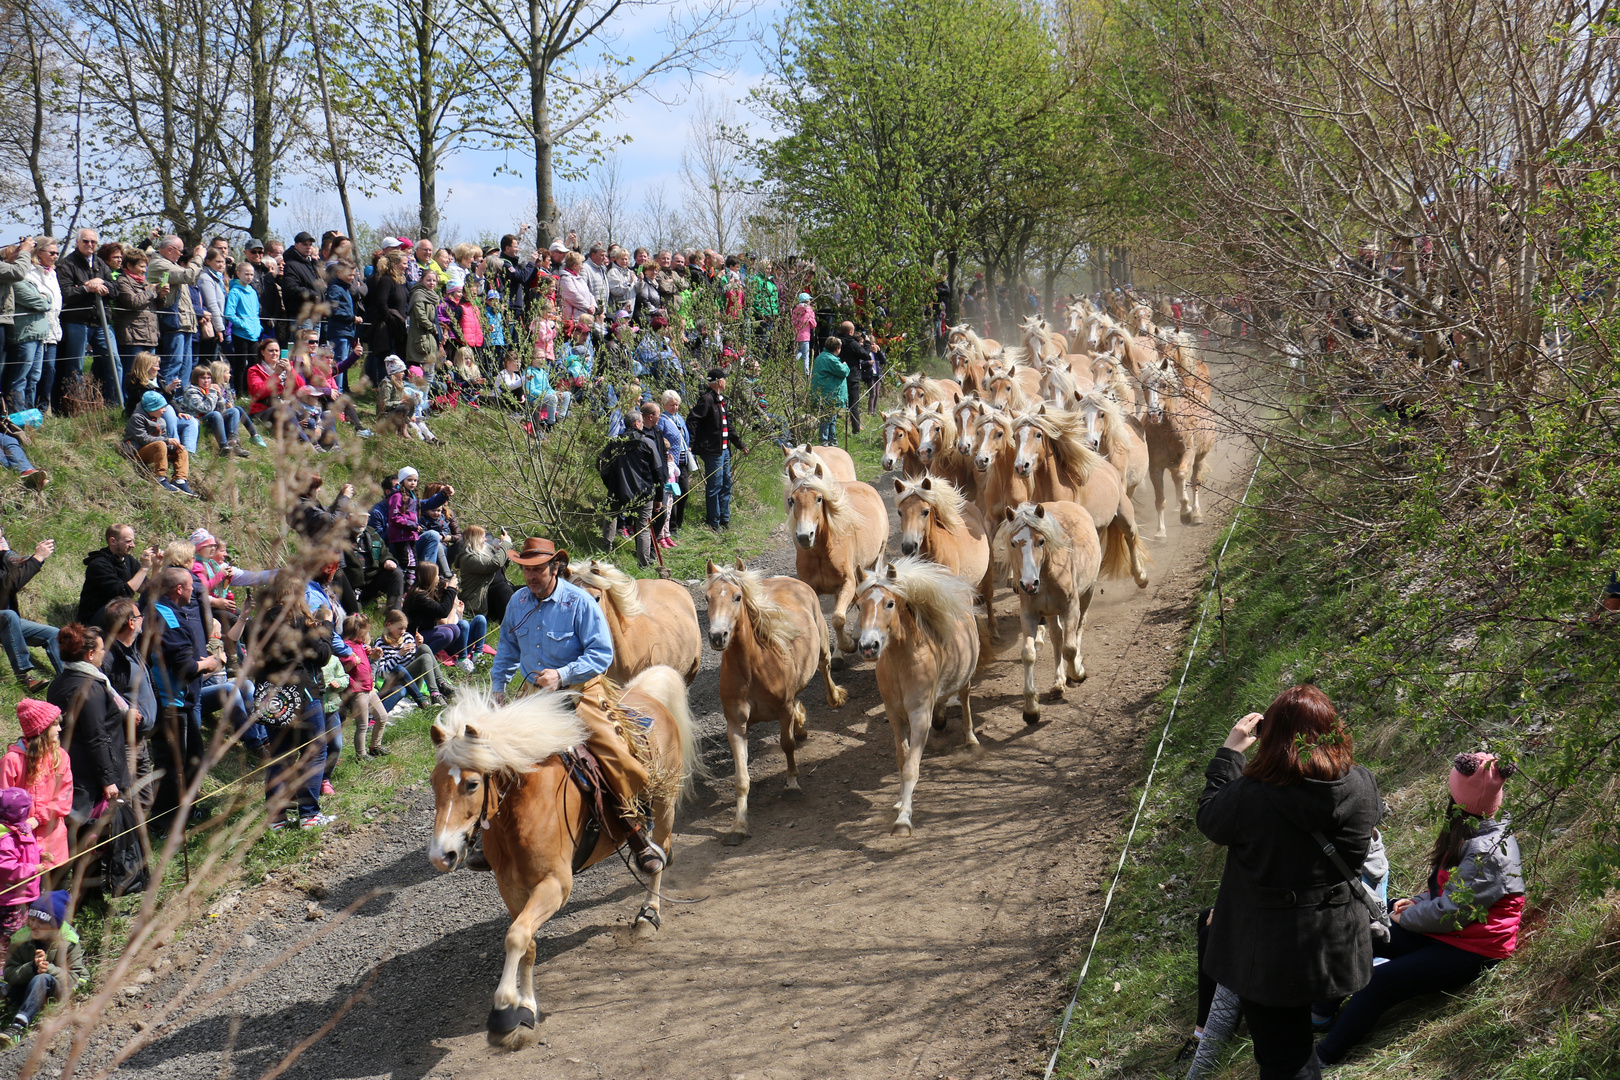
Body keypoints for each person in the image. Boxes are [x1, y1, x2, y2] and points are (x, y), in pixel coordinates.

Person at [1196, 685, 1382, 1080]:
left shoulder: (1252, 796)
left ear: (1272, 737)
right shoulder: (1362, 784)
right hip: (1337, 943)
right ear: (1334, 731)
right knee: (1295, 1054)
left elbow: (1210, 819)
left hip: (1271, 954)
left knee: (1283, 1059)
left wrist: (1229, 754)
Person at [1315, 753, 1524, 1066]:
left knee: (1380, 983)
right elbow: (1446, 890)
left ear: (1460, 801)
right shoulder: (1471, 832)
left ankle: (1323, 1057)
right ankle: (1320, 1014)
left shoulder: (1488, 853)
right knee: (1361, 926)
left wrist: (1405, 916)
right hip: (1451, 931)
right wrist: (1417, 902)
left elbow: (1451, 914)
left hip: (1475, 948)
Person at [488, 537, 665, 874]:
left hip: (581, 691)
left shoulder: (580, 602)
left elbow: (601, 654)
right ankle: (489, 837)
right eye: (526, 569)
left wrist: (562, 674)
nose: (531, 575)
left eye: (538, 568)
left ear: (555, 567)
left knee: (612, 752)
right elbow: (508, 647)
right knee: (493, 754)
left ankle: (637, 830)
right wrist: (498, 687)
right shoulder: (517, 602)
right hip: (534, 696)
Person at [146, 568, 223, 824]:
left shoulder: (164, 610)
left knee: (193, 758)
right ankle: (163, 822)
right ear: (178, 589)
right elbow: (183, 665)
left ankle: (187, 810)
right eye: (191, 586)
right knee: (171, 765)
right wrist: (208, 664)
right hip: (170, 703)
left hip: (182, 701)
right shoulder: (165, 616)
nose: (194, 590)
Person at [45, 623, 131, 848]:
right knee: (90, 838)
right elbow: (96, 736)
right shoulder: (90, 688)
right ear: (91, 655)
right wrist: (108, 780)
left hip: (70, 769)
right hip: (90, 779)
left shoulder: (59, 683)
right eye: (102, 650)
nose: (105, 653)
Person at [0, 701, 72, 891]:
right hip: (21, 847)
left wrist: (37, 819)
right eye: (55, 724)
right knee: (26, 900)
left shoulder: (61, 756)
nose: (59, 729)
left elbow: (64, 799)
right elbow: (4, 806)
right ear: (41, 729)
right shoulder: (12, 761)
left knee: (54, 900)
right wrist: (21, 827)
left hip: (53, 842)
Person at [0, 890, 83, 1049]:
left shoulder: (69, 942)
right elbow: (9, 973)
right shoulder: (21, 938)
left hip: (53, 989)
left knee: (41, 978)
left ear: (55, 926)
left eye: (42, 922)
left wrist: (48, 969)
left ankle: (17, 1027)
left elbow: (73, 978)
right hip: (24, 988)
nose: (34, 925)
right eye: (32, 919)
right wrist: (32, 966)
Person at [99, 598, 157, 816]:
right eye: (140, 617)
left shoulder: (132, 650)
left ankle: (139, 846)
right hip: (124, 743)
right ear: (131, 622)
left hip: (140, 741)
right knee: (128, 802)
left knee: (145, 800)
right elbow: (101, 694)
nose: (143, 620)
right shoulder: (109, 657)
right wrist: (124, 713)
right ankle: (126, 848)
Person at [55, 228, 122, 406]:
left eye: (93, 242)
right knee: (75, 366)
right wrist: (87, 288)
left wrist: (102, 283)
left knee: (114, 362)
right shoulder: (66, 264)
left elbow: (115, 291)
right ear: (77, 242)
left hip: (101, 322)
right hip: (77, 322)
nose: (90, 245)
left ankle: (114, 405)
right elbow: (67, 293)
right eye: (85, 241)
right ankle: (78, 406)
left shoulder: (101, 263)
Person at [0, 530, 61, 695]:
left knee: (53, 633)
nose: (2, 541)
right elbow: (10, 584)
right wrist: (37, 558)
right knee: (10, 616)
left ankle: (69, 680)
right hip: (5, 619)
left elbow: (13, 574)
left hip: (5, 623)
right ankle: (23, 676)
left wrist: (8, 555)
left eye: (1, 536)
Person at [687, 367, 748, 529]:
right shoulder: (707, 399)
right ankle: (713, 522)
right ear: (719, 382)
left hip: (725, 450)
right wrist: (691, 445)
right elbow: (692, 420)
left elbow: (729, 426)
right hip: (713, 451)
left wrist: (740, 445)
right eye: (725, 379)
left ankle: (724, 519)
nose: (726, 381)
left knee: (727, 484)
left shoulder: (721, 400)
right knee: (715, 486)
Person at [146, 235, 207, 391]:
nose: (181, 254)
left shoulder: (171, 264)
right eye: (179, 251)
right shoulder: (160, 264)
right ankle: (166, 398)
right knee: (174, 363)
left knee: (186, 366)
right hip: (173, 322)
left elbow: (190, 279)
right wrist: (199, 257)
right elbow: (189, 276)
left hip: (185, 322)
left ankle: (181, 401)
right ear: (170, 249)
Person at [402, 564, 481, 672]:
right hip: (414, 637)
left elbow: (440, 609)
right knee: (448, 633)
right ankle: (420, 661)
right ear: (429, 576)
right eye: (436, 574)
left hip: (423, 633)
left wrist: (446, 592)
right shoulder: (419, 596)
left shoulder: (424, 592)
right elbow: (442, 612)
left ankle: (476, 655)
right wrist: (451, 589)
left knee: (456, 629)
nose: (438, 577)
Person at [77, 524, 159, 626]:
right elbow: (123, 593)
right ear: (113, 541)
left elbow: (147, 592)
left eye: (133, 541)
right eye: (128, 541)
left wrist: (157, 567)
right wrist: (144, 568)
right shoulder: (99, 565)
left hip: (121, 613)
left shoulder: (129, 560)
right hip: (98, 619)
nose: (133, 545)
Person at [123, 390, 197, 497]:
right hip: (138, 451)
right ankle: (160, 477)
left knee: (181, 450)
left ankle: (180, 480)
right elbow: (143, 439)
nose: (164, 410)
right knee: (161, 444)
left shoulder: (161, 420)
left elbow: (165, 438)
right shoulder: (137, 418)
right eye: (161, 407)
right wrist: (167, 441)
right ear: (151, 408)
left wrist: (174, 446)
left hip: (157, 450)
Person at [372, 608, 447, 711]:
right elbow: (382, 673)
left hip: (413, 681)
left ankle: (439, 688)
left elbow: (416, 662)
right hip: (395, 684)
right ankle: (428, 698)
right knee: (399, 668)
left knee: (424, 648)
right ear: (389, 625)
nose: (403, 632)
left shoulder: (408, 637)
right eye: (400, 628)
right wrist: (399, 655)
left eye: (405, 628)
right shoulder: (380, 643)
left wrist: (418, 646)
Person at [339, 614, 388, 757]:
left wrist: (370, 653)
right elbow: (344, 665)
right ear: (359, 630)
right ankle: (361, 755)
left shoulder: (360, 644)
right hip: (358, 691)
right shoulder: (346, 646)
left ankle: (375, 745)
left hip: (369, 689)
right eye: (366, 631)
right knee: (362, 725)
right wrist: (353, 661)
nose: (368, 634)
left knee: (382, 716)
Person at [183, 362, 252, 457]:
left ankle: (233, 443)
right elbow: (206, 409)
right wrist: (212, 393)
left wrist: (219, 397)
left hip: (214, 418)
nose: (206, 381)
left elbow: (221, 410)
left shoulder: (210, 389)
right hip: (199, 420)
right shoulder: (191, 392)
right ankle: (224, 446)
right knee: (215, 414)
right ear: (196, 379)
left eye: (208, 378)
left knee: (234, 410)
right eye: (203, 378)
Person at [0, 789, 40, 939]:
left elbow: (26, 851)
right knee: (11, 938)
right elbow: (6, 868)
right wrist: (33, 868)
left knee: (23, 935)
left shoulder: (21, 830)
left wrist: (40, 853)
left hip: (24, 896)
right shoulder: (6, 838)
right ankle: (6, 962)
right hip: (11, 900)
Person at [456, 526, 514, 629]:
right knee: (503, 589)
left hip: (497, 591)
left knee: (525, 590)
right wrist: (506, 544)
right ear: (475, 539)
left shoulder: (486, 550)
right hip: (481, 599)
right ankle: (510, 628)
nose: (486, 539)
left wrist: (499, 550)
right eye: (483, 537)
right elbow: (494, 564)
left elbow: (501, 566)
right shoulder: (468, 558)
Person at [223, 258, 262, 401]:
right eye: (246, 274)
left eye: (251, 274)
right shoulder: (235, 291)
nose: (249, 277)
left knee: (254, 364)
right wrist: (242, 324)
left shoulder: (252, 292)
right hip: (241, 333)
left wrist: (258, 326)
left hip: (254, 333)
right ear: (238, 274)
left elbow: (256, 312)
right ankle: (239, 393)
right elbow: (229, 313)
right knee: (240, 364)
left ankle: (251, 391)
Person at [656, 390, 694, 541]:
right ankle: (670, 527)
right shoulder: (662, 420)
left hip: (683, 461)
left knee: (684, 491)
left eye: (677, 405)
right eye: (672, 405)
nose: (675, 408)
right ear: (664, 404)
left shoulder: (680, 419)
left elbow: (685, 436)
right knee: (673, 493)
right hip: (671, 464)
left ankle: (678, 523)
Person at [811, 336, 849, 446]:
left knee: (830, 419)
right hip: (828, 395)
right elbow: (843, 372)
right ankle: (825, 442)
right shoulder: (831, 359)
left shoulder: (821, 357)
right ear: (837, 348)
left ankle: (831, 440)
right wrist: (845, 365)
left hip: (822, 394)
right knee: (828, 420)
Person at [836, 321, 870, 435]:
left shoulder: (835, 341)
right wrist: (867, 343)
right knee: (854, 405)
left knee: (835, 403)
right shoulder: (852, 343)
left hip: (838, 375)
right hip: (852, 376)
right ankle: (856, 429)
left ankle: (833, 429)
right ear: (851, 331)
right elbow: (865, 355)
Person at [792, 292, 816, 373]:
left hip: (796, 334)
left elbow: (793, 322)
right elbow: (813, 324)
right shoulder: (808, 310)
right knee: (805, 355)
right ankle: (806, 372)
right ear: (806, 301)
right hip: (805, 336)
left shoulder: (795, 310)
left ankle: (793, 362)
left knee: (799, 351)